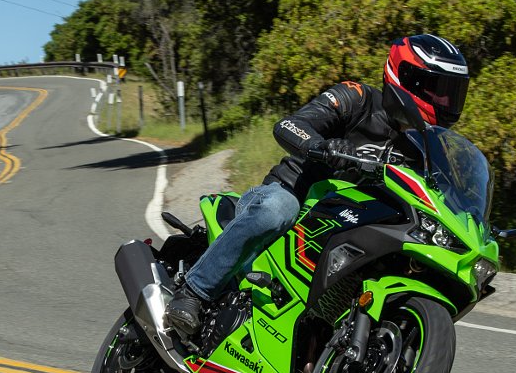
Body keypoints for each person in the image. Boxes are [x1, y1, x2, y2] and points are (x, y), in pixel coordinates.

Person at [165, 34, 470, 336]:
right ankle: (194, 291)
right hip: (295, 196)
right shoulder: (358, 98)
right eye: (438, 91)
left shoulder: (429, 149)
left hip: (351, 224)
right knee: (276, 210)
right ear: (406, 77)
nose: (445, 102)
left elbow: (445, 195)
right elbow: (289, 125)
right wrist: (321, 147)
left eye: (451, 94)